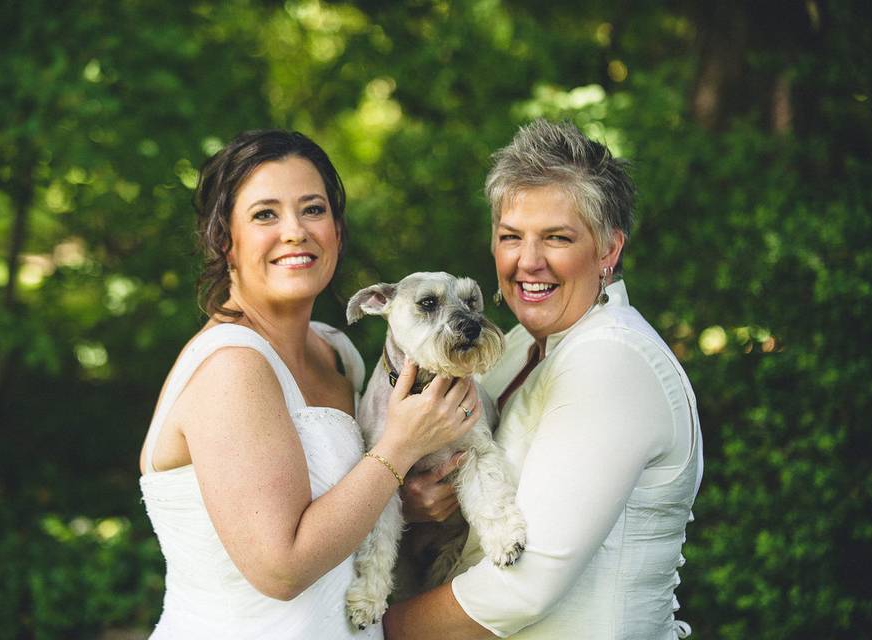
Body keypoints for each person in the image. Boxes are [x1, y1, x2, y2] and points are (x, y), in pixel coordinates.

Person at [138, 129, 479, 639]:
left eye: (313, 209)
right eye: (265, 214)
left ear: (337, 231)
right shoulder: (232, 367)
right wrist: (401, 446)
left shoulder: (335, 353)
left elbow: (341, 515)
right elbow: (281, 569)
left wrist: (401, 502)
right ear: (224, 240)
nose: (295, 231)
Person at [383, 119, 704, 639]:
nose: (528, 262)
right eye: (511, 237)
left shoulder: (611, 360)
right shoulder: (511, 348)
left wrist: (372, 632)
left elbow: (524, 585)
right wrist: (411, 504)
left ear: (608, 251)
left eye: (556, 238)